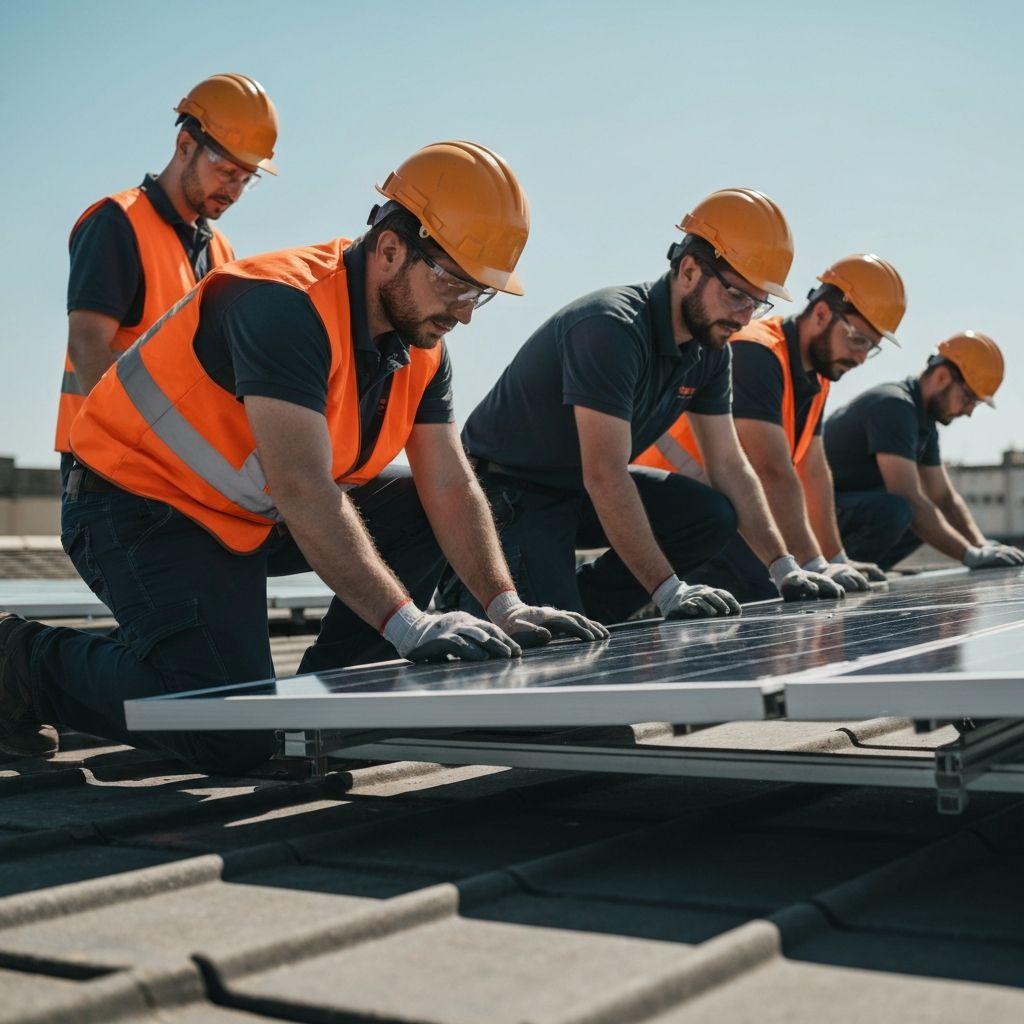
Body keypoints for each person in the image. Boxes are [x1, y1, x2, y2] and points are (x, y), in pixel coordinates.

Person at [0, 141, 606, 767]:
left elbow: (450, 484)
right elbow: (302, 487)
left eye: (478, 294)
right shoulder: (283, 305)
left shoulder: (422, 345)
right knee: (228, 731)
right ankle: (16, 659)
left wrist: (505, 605)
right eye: (454, 283)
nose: (464, 313)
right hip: (137, 511)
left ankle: (326, 696)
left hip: (244, 516)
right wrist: (410, 624)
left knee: (423, 506)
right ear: (391, 249)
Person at [447, 188, 845, 627]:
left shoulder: (712, 350)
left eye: (757, 302)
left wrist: (785, 569)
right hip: (510, 497)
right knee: (546, 645)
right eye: (736, 295)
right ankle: (541, 595)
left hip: (575, 493)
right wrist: (669, 590)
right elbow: (605, 473)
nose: (744, 316)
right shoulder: (612, 328)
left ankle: (584, 602)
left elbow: (731, 466)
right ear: (690, 271)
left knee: (710, 515)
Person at [635, 254, 906, 601]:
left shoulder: (817, 376)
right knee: (770, 584)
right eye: (858, 340)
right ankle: (646, 602)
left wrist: (835, 559)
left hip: (723, 502)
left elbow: (812, 468)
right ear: (821, 313)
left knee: (884, 516)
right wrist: (811, 564)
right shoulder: (757, 351)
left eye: (871, 346)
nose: (861, 358)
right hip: (670, 506)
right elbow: (771, 469)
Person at [55, 73, 279, 468]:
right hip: (112, 464)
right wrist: (144, 452)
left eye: (246, 179)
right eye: (226, 172)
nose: (233, 190)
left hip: (177, 469)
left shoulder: (220, 251)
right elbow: (88, 345)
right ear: (185, 145)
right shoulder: (117, 223)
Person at [824, 331, 1024, 571]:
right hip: (817, 517)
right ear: (942, 377)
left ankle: (865, 571)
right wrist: (969, 555)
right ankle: (838, 569)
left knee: (927, 513)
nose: (969, 411)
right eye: (969, 398)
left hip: (846, 512)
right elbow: (907, 496)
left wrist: (982, 544)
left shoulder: (924, 423)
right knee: (900, 510)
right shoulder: (894, 406)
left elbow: (944, 498)